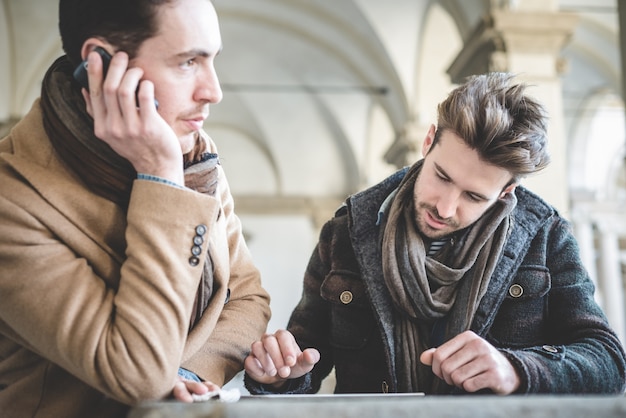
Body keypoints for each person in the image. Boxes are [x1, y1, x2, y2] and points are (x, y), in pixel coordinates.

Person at [243, 72, 626, 396]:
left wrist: (517, 369)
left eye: (474, 196)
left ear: (506, 192)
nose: (444, 207)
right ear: (428, 142)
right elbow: (307, 355)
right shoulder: (346, 231)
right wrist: (282, 374)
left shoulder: (547, 236)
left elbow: (608, 361)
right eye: (442, 176)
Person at [0, 0, 271, 416]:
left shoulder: (196, 155)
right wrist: (160, 176)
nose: (213, 91)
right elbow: (139, 375)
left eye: (212, 59)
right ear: (103, 66)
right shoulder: (12, 199)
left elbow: (247, 297)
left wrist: (190, 375)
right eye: (187, 62)